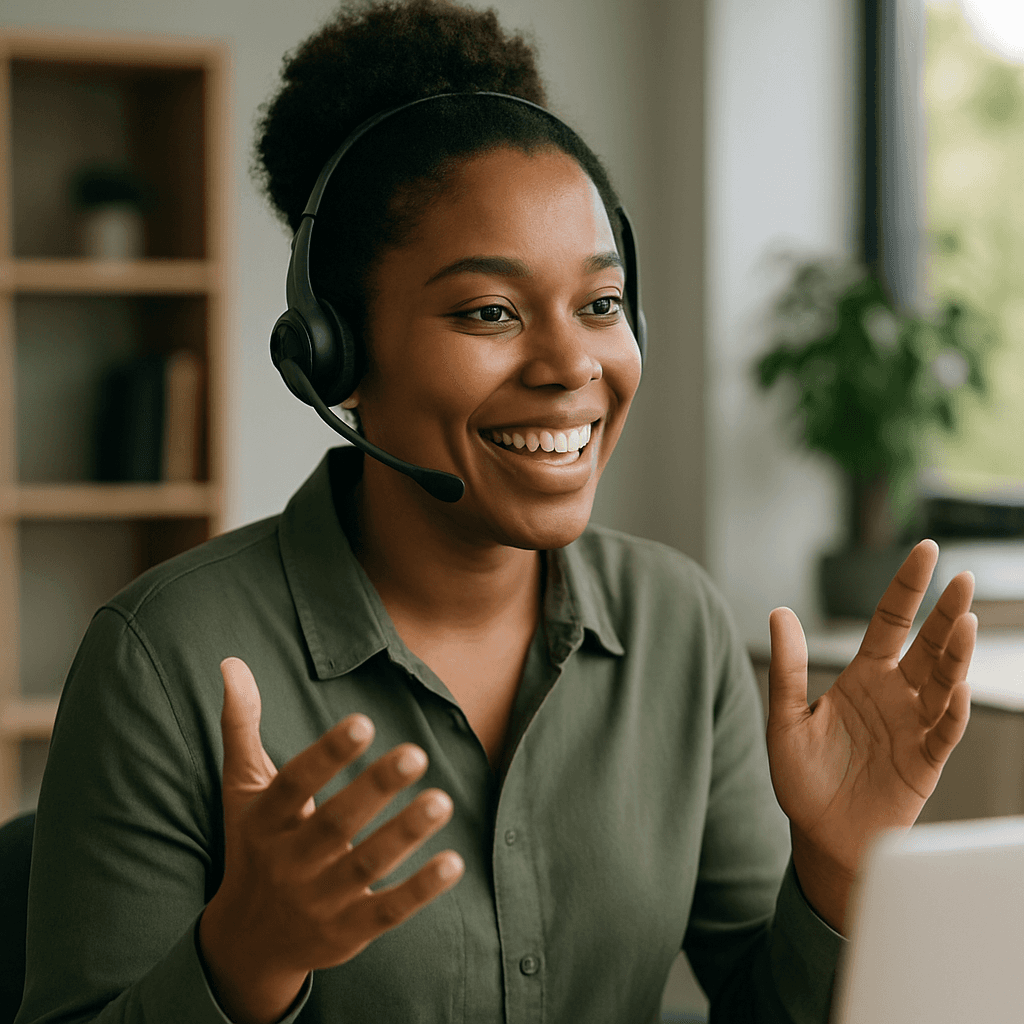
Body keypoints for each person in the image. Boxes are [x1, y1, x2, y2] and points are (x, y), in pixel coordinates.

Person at [15, 2, 978, 1023]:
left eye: (600, 305)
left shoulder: (675, 625)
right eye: (489, 312)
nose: (570, 366)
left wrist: (833, 869)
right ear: (334, 356)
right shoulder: (165, 657)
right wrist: (243, 959)